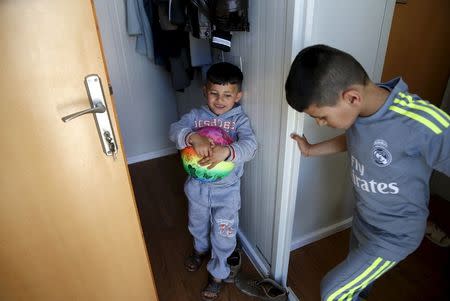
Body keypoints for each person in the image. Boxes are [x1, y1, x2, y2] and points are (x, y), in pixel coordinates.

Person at [285, 44, 450, 301]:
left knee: (333, 291)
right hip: (364, 220)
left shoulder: (420, 122)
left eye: (322, 117)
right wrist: (310, 150)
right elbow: (354, 140)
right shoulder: (359, 112)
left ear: (352, 97)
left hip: (396, 233)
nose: (320, 123)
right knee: (358, 284)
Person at [169, 62, 257, 301]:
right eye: (214, 93)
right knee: (197, 223)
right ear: (204, 91)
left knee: (224, 233)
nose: (220, 100)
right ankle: (200, 250)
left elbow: (250, 147)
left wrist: (227, 152)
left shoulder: (240, 121)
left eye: (227, 95)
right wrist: (192, 136)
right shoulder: (196, 117)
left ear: (238, 96)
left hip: (227, 192)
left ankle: (218, 274)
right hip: (196, 188)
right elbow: (174, 129)